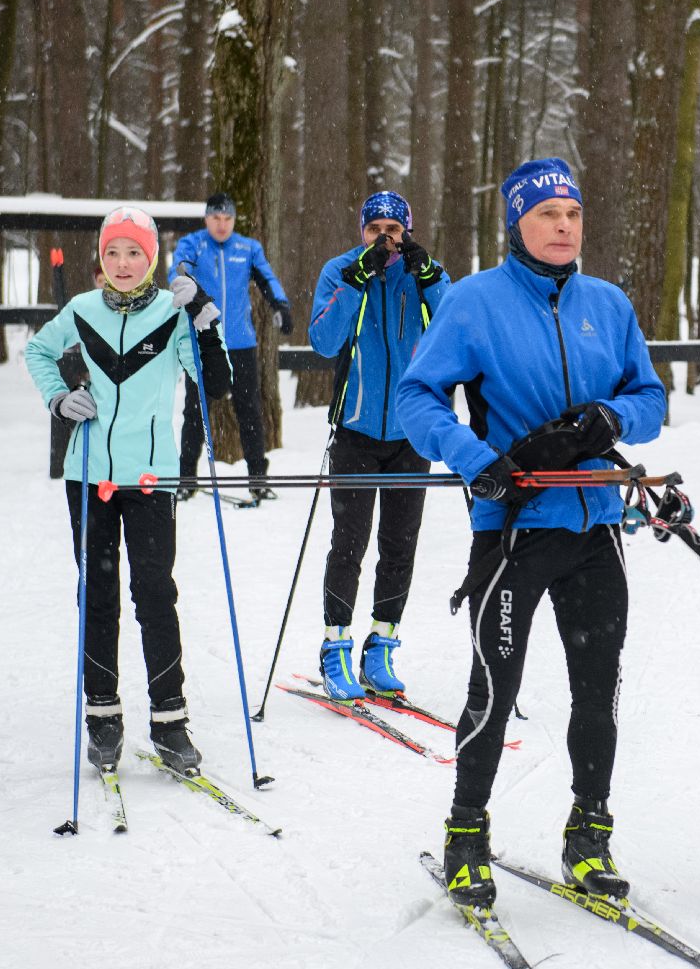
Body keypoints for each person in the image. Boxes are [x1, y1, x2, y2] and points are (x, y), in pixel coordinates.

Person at [398, 157, 667, 906]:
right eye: (548, 215)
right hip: (515, 530)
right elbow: (416, 397)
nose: (563, 227)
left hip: (596, 528)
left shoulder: (607, 305)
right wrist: (473, 460)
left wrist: (617, 418)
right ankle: (465, 834)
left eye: (573, 215)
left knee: (597, 692)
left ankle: (589, 835)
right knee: (495, 683)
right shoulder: (473, 303)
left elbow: (649, 394)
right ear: (518, 223)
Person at [24, 205, 234, 774]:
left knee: (155, 594)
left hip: (151, 477)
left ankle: (170, 722)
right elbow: (38, 352)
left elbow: (215, 384)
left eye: (134, 252)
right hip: (87, 473)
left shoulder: (172, 313)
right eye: (113, 252)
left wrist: (207, 320)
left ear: (151, 259)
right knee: (98, 595)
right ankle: (103, 719)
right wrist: (58, 398)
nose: (122, 263)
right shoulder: (80, 310)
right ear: (101, 257)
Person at [308, 191, 450, 700]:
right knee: (348, 542)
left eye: (394, 228)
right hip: (356, 430)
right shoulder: (342, 270)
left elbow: (455, 328)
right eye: (375, 229)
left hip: (412, 432)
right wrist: (356, 280)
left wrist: (429, 274)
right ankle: (335, 646)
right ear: (362, 232)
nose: (385, 238)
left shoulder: (423, 272)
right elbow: (323, 341)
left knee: (400, 544)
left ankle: (382, 644)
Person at [171, 192, 291, 499]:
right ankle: (187, 480)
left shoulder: (247, 248)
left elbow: (268, 278)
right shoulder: (194, 244)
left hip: (240, 343)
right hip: (204, 342)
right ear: (206, 219)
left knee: (249, 410)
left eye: (227, 219)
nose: (221, 225)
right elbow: (178, 270)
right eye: (215, 218)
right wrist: (183, 281)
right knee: (195, 412)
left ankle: (258, 479)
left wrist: (280, 305)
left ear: (234, 221)